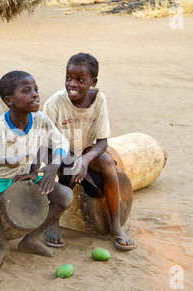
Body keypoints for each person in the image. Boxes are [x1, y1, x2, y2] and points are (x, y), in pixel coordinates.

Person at [0, 70, 73, 269]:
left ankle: (31, 239)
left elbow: (61, 142)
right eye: (27, 91)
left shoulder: (41, 120)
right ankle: (2, 245)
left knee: (65, 196)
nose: (35, 94)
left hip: (23, 177)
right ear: (10, 100)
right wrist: (5, 160)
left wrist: (54, 165)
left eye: (36, 89)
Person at [43, 52, 134, 251]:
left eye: (80, 80)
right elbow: (46, 143)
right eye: (68, 78)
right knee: (70, 166)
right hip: (56, 151)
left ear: (93, 81)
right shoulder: (55, 103)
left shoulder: (99, 100)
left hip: (84, 149)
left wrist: (86, 159)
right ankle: (53, 221)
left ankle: (115, 226)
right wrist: (73, 161)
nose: (72, 84)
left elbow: (102, 142)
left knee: (107, 164)